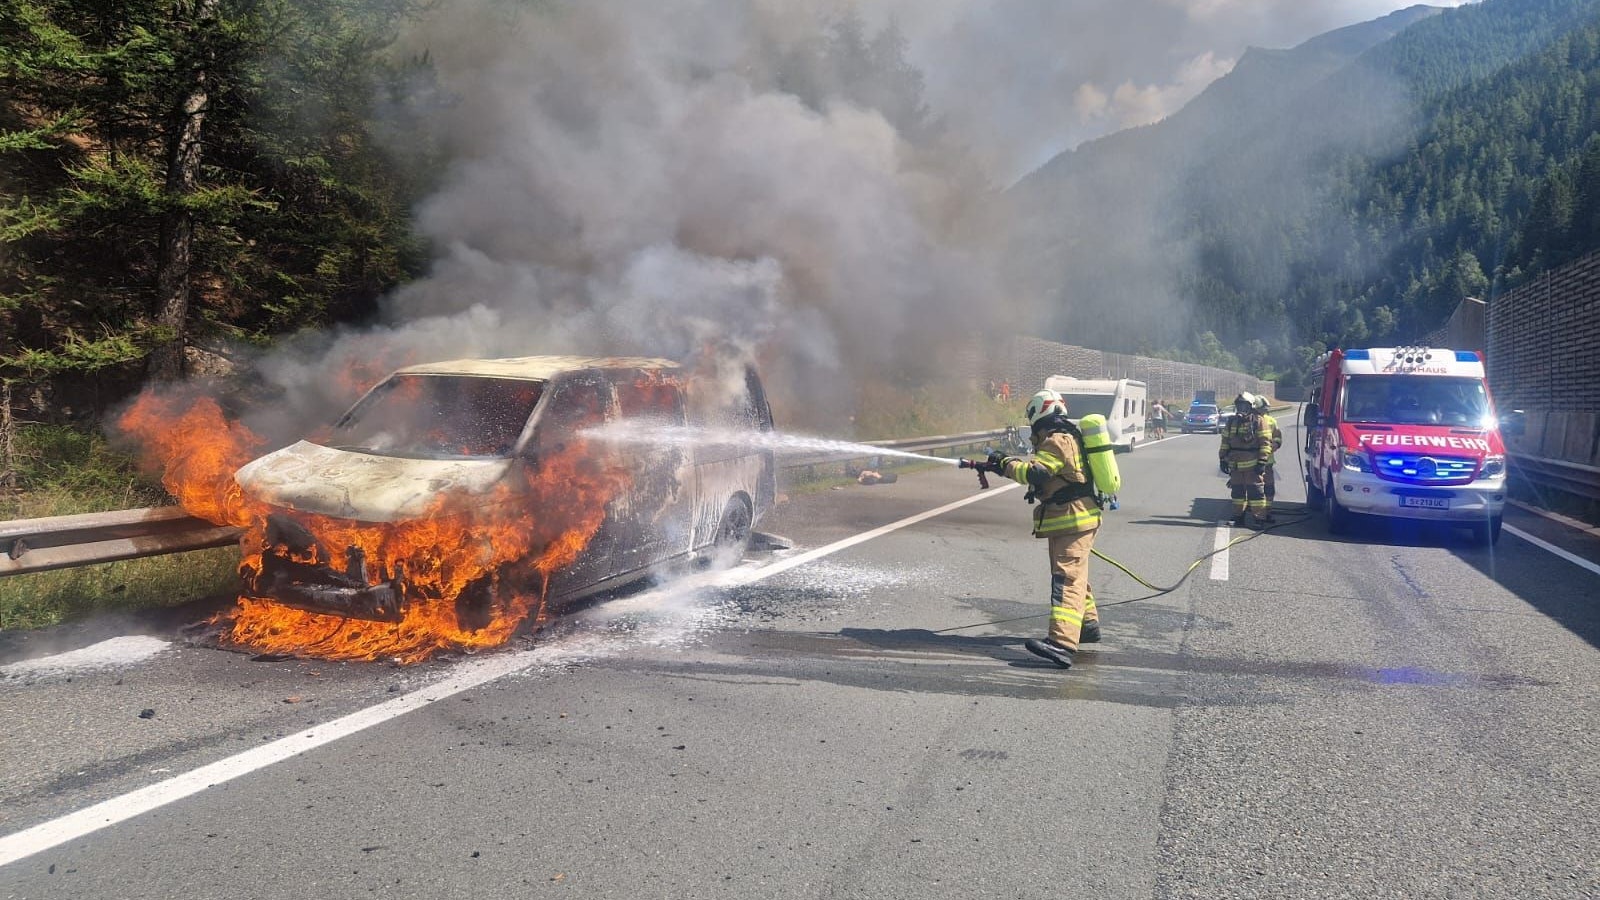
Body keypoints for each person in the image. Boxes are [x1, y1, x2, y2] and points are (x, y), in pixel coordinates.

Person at [985, 389, 1102, 670]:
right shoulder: (1065, 435)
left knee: (1067, 579)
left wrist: (1005, 463)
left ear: (1039, 412)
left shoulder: (1056, 440)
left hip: (1073, 518)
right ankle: (1086, 626)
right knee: (1074, 574)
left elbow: (1035, 473)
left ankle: (1061, 643)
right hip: (1073, 518)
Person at [1218, 392, 1272, 527]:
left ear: (1251, 406)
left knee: (1256, 493)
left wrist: (1262, 462)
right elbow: (1225, 441)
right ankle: (1238, 517)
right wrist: (1222, 458)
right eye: (1239, 405)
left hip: (1253, 465)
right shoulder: (1231, 422)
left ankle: (1259, 519)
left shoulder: (1259, 421)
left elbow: (1265, 443)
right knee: (1237, 493)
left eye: (1244, 405)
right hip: (1235, 465)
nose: (1241, 408)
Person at [1253, 395, 1283, 520]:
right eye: (1263, 409)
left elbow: (1277, 436)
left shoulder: (1271, 421)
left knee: (1269, 487)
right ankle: (1256, 511)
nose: (1266, 411)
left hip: (1267, 462)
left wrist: (1276, 443)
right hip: (1250, 461)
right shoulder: (1248, 421)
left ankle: (1267, 511)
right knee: (1254, 487)